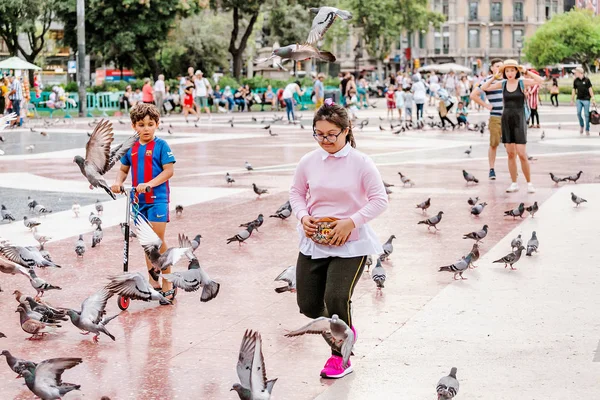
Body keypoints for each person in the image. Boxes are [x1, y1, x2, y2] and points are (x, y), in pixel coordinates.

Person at [289, 99, 388, 379]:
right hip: (314, 240)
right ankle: (344, 330)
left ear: (346, 130)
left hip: (351, 242)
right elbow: (296, 194)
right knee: (308, 306)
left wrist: (350, 222)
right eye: (319, 134)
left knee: (336, 296)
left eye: (331, 134)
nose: (325, 140)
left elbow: (380, 200)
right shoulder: (308, 161)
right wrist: (302, 216)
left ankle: (339, 357)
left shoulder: (361, 163)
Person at [111, 103, 176, 305]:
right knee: (147, 243)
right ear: (134, 126)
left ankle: (167, 282)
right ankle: (152, 280)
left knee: (157, 240)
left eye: (150, 124)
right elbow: (123, 169)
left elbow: (168, 171)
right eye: (141, 124)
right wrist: (118, 182)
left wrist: (149, 184)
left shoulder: (161, 146)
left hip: (158, 199)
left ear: (157, 124)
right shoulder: (131, 147)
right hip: (139, 201)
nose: (146, 128)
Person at [480, 59, 545, 193]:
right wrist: (494, 76)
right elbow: (484, 88)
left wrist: (526, 71)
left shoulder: (521, 82)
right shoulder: (502, 83)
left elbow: (540, 81)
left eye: (512, 70)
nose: (510, 73)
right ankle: (514, 183)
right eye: (507, 71)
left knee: (521, 154)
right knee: (510, 154)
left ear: (516, 71)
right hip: (506, 118)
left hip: (519, 118)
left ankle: (529, 183)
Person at [470, 58, 504, 180]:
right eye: (497, 66)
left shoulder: (508, 80)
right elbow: (473, 95)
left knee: (511, 145)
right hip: (495, 116)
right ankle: (491, 169)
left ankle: (513, 169)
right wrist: (486, 105)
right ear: (492, 68)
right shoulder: (487, 81)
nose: (500, 68)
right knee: (494, 144)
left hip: (509, 116)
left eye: (502, 66)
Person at [571, 67, 596, 136]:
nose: (575, 73)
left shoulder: (587, 80)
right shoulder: (576, 80)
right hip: (579, 99)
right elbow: (574, 90)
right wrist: (572, 99)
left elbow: (590, 89)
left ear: (579, 72)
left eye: (576, 72)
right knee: (578, 113)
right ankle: (582, 125)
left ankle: (587, 129)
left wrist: (593, 99)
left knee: (587, 115)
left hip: (586, 99)